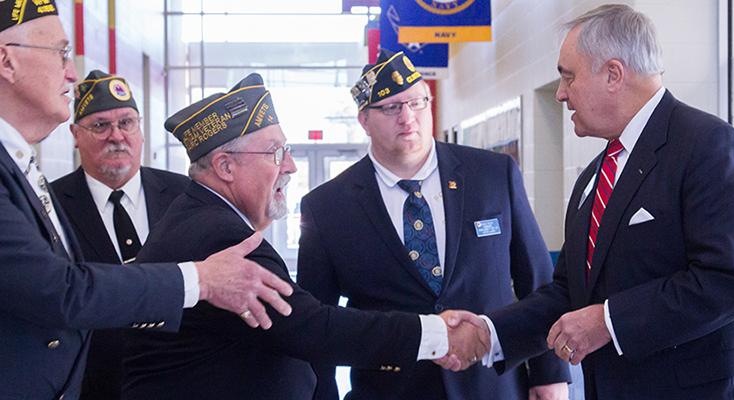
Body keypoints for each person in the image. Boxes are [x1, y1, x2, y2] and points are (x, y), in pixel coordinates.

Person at [442, 4, 734, 400]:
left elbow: (730, 281)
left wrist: (609, 321)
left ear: (613, 74)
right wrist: (491, 333)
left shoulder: (706, 145)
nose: (561, 94)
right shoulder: (594, 177)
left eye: (568, 77)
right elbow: (570, 293)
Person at [121, 72, 486, 400]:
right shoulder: (221, 237)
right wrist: (437, 334)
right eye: (276, 153)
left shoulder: (200, 217)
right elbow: (313, 327)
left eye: (288, 151)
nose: (291, 166)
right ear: (225, 167)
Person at [0, 3, 295, 399]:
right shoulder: (44, 188)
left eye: (127, 123)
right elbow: (60, 291)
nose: (71, 71)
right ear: (7, 60)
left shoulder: (184, 196)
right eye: (60, 53)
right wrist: (200, 278)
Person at [296, 49, 570, 400]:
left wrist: (550, 377)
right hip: (391, 391)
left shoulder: (492, 174)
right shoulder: (327, 207)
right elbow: (317, 327)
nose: (407, 117)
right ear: (363, 120)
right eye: (391, 107)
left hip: (493, 387)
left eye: (417, 102)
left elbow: (538, 281)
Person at [51, 70, 190, 400]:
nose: (116, 135)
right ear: (75, 134)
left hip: (181, 380)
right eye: (100, 125)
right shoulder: (52, 205)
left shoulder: (183, 195)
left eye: (126, 122)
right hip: (94, 386)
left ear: (140, 131)